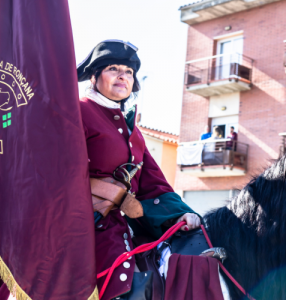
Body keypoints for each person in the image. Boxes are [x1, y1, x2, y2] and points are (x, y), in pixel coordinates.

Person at [77, 40, 201, 300]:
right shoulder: (77, 111)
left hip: (125, 226)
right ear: (93, 76)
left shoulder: (132, 130)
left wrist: (180, 214)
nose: (124, 76)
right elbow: (56, 171)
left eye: (129, 72)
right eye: (113, 68)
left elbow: (153, 183)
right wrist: (112, 194)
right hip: (80, 226)